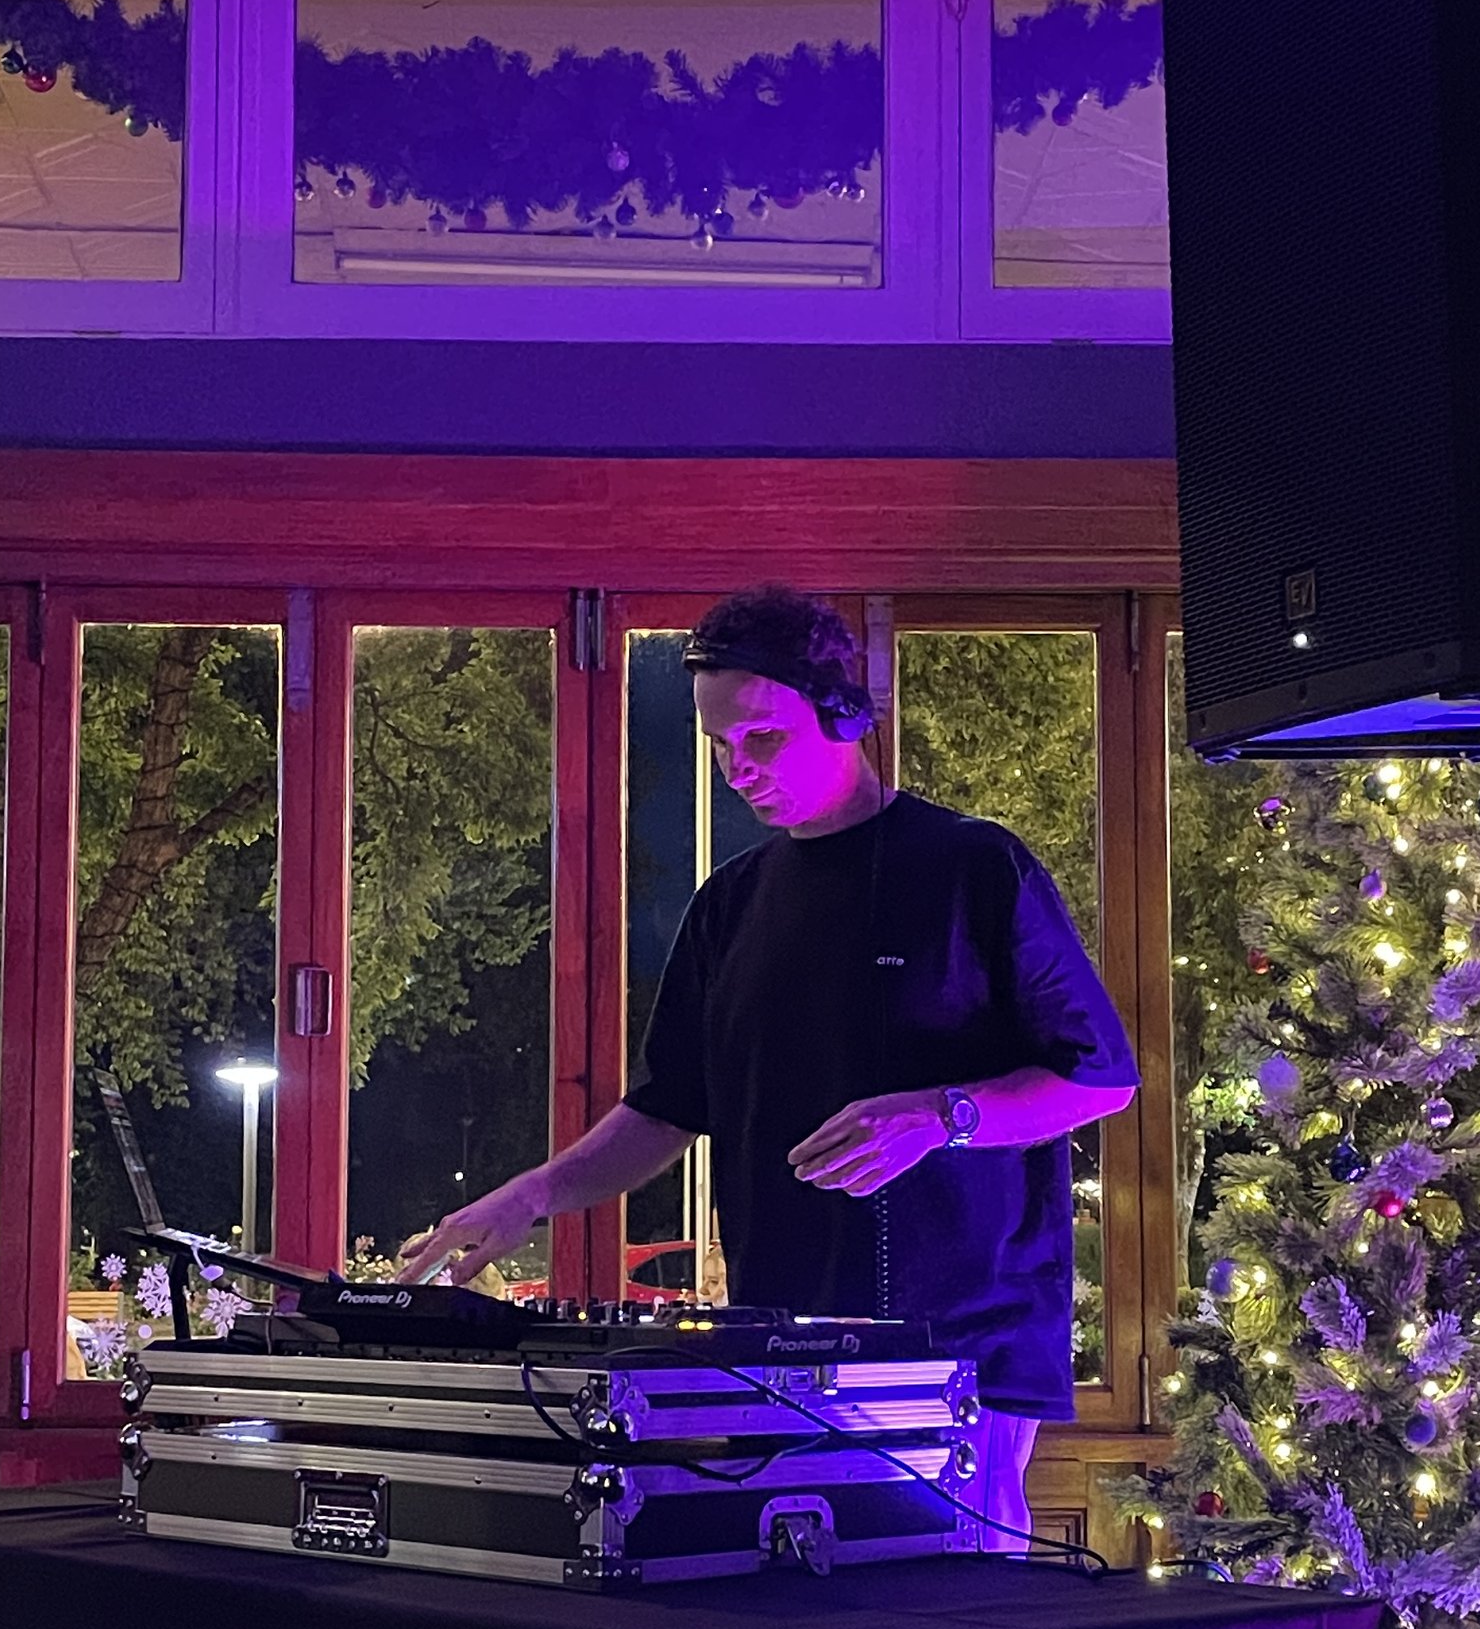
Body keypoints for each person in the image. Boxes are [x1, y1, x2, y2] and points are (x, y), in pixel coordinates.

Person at [403, 585, 1138, 1541]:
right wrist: (531, 1196)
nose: (736, 770)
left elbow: (1101, 1076)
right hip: (774, 1350)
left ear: (842, 713)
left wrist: (940, 1114)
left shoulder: (974, 867)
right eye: (717, 746)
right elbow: (663, 1111)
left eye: (761, 740)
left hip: (960, 1352)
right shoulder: (729, 905)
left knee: (946, 1620)